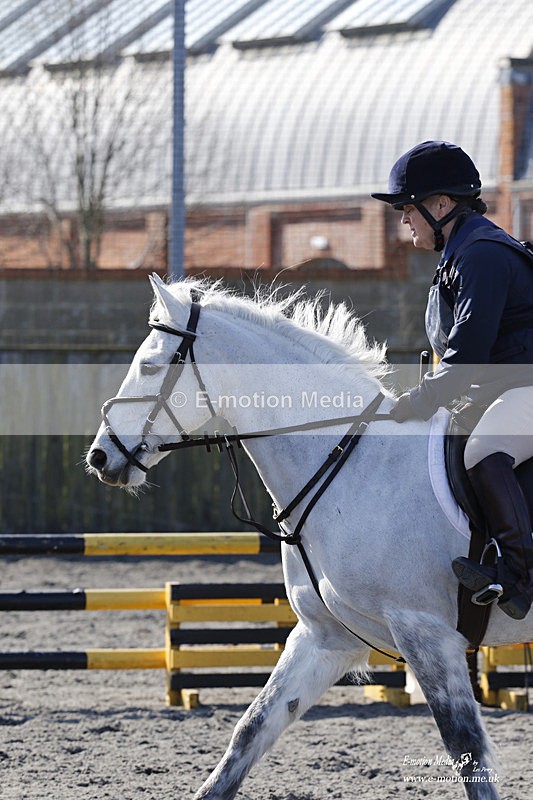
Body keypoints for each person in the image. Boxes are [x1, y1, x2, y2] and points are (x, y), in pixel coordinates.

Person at [371, 140, 533, 620]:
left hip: (525, 388)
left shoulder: (480, 254)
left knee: (484, 451)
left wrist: (415, 402)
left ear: (441, 205)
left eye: (408, 208)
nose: (404, 219)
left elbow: (465, 360)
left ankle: (519, 577)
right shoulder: (461, 252)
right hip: (505, 388)